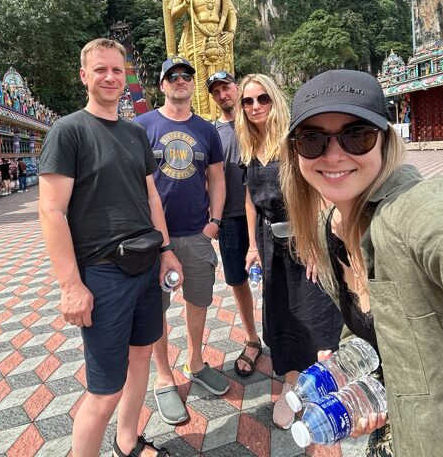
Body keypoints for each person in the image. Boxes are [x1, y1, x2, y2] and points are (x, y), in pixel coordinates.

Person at [280, 69, 443, 456]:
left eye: (356, 135)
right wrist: (355, 367)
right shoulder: (330, 230)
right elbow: (376, 328)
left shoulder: (413, 211)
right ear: (295, 152)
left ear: (384, 141)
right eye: (312, 140)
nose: (334, 154)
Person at [39, 38, 182, 457]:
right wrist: (70, 285)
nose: (110, 77)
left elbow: (151, 197)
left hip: (146, 265)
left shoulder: (135, 133)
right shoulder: (69, 131)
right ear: (84, 76)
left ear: (125, 76)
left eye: (117, 70)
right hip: (103, 273)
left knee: (141, 358)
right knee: (104, 390)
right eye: (100, 69)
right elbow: (51, 211)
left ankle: (127, 440)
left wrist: (166, 250)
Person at [235, 74, 343, 430]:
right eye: (248, 101)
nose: (255, 107)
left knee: (315, 312)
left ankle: (323, 383)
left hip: (304, 236)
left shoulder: (294, 142)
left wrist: (316, 244)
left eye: (262, 98)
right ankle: (291, 384)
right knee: (282, 315)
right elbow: (250, 201)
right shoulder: (249, 147)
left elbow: (319, 191)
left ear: (275, 100)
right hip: (271, 245)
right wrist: (252, 245)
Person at [136, 57, 228, 425]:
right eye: (172, 76)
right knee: (156, 307)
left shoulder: (207, 130)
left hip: (196, 234)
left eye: (186, 76)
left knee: (199, 300)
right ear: (162, 85)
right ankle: (163, 376)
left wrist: (214, 222)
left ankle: (196, 361)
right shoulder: (142, 127)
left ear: (192, 83)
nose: (180, 80)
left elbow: (217, 178)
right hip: (156, 241)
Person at [207, 71, 262, 376]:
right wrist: (212, 216)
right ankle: (252, 338)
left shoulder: (255, 120)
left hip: (264, 212)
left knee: (277, 278)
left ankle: (285, 336)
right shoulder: (212, 132)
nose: (222, 95)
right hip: (229, 216)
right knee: (238, 281)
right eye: (216, 92)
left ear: (237, 88)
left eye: (226, 88)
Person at [163, 0, 237, 120]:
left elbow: (231, 12)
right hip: (195, 36)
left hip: (218, 37)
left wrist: (231, 31)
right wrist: (185, 3)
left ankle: (223, 117)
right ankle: (203, 117)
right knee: (199, 80)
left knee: (222, 78)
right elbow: (172, 13)